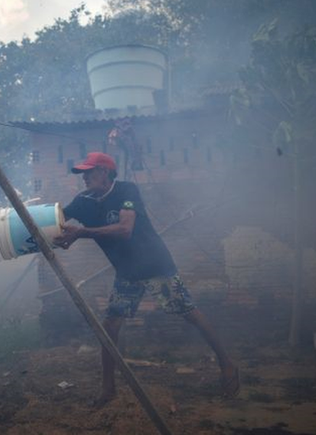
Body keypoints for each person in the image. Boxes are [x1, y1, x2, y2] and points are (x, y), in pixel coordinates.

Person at [53, 152, 240, 407]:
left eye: (89, 172)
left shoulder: (126, 191)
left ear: (105, 173)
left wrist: (82, 232)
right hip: (127, 272)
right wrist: (38, 231)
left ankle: (227, 363)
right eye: (82, 173)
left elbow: (125, 229)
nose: (84, 177)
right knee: (110, 326)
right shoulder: (83, 201)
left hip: (155, 265)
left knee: (189, 312)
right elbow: (56, 220)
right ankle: (108, 389)